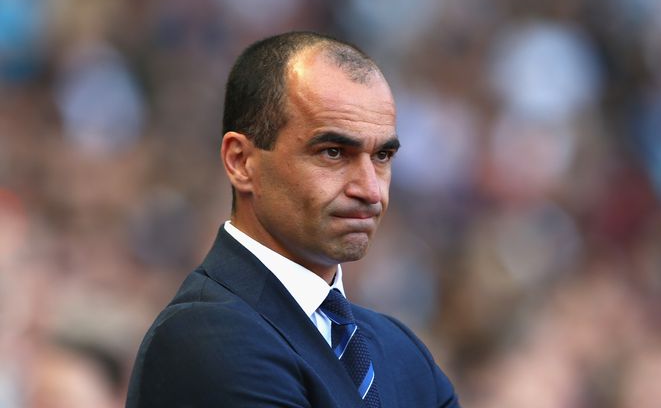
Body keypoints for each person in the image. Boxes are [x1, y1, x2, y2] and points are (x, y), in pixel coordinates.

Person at [125, 31, 460, 407]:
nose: (370, 190)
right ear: (241, 161)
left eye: (382, 157)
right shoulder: (203, 336)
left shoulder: (401, 352)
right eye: (333, 153)